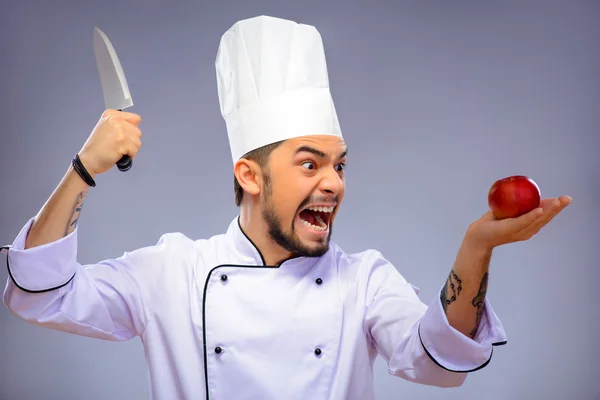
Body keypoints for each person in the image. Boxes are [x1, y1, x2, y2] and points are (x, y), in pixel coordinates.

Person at [2, 15, 571, 400]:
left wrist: (477, 247)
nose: (334, 183)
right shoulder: (171, 273)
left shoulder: (363, 281)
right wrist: (82, 171)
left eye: (339, 165)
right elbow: (39, 294)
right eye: (309, 164)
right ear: (249, 175)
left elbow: (441, 361)